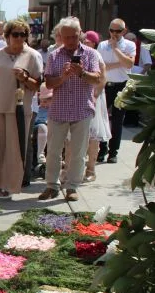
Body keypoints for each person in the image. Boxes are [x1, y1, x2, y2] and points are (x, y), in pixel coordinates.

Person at [39, 17, 102, 202]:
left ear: (80, 33)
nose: (71, 41)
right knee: (53, 151)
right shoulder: (54, 55)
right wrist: (64, 77)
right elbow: (49, 83)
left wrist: (82, 73)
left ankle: (72, 186)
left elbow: (97, 79)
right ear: (60, 36)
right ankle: (51, 185)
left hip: (82, 110)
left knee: (78, 152)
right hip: (59, 110)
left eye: (74, 36)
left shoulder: (90, 54)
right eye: (66, 37)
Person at [0, 20, 43, 197]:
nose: (20, 38)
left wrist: (25, 78)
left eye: (23, 34)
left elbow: (38, 85)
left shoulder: (33, 55)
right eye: (16, 34)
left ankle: (11, 186)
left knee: (15, 150)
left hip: (20, 110)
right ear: (7, 36)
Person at [96, 19, 136, 163]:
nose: (114, 34)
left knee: (118, 120)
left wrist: (116, 49)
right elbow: (101, 66)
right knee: (102, 118)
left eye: (118, 31)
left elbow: (129, 63)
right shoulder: (102, 45)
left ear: (124, 31)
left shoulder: (129, 45)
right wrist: (120, 63)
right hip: (106, 85)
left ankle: (113, 152)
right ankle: (103, 148)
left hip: (122, 85)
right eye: (111, 30)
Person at [82, 31, 110, 183]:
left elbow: (103, 77)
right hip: (80, 98)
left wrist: (95, 95)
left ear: (94, 43)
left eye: (89, 41)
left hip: (94, 98)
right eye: (85, 40)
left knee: (93, 134)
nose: (86, 43)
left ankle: (91, 169)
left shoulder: (96, 55)